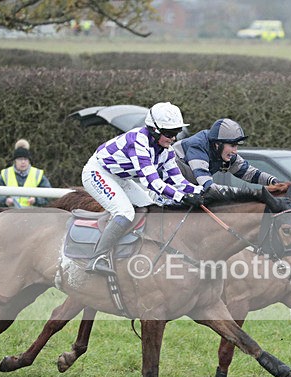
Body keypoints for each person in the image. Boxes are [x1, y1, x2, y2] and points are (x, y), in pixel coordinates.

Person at [81, 101, 204, 275]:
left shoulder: (166, 150)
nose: (173, 138)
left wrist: (202, 192)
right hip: (97, 172)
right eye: (169, 133)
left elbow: (178, 181)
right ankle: (97, 258)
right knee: (125, 213)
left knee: (152, 210)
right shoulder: (138, 141)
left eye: (176, 132)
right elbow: (152, 183)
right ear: (154, 130)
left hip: (119, 177)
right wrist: (181, 197)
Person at [173, 118, 280, 201]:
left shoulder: (223, 152)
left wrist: (274, 181)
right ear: (217, 144)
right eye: (232, 145)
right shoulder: (197, 147)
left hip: (188, 185)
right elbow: (208, 187)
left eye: (236, 146)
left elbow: (248, 172)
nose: (235, 151)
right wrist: (251, 195)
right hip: (167, 184)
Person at [0, 139, 52, 208]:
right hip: (10, 214)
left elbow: (48, 195)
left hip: (32, 214)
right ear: (15, 161)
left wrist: (36, 200)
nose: (23, 162)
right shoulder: (5, 174)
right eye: (20, 159)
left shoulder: (38, 174)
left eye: (25, 159)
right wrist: (5, 201)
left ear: (29, 161)